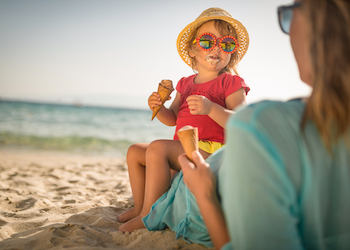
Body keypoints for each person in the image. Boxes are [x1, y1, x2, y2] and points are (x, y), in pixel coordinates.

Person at [177, 0, 350, 249]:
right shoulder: (187, 84)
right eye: (206, 41)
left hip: (194, 191)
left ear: (318, 25)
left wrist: (205, 195)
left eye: (289, 15)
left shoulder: (260, 127)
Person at [118, 7, 250, 233]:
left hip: (214, 153)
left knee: (158, 148)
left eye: (226, 44)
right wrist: (159, 108)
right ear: (192, 49)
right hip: (184, 147)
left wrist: (211, 109)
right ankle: (139, 207)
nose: (217, 48)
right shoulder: (185, 83)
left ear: (231, 52)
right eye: (208, 41)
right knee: (134, 152)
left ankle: (149, 215)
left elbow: (242, 123)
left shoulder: (231, 83)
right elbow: (172, 119)